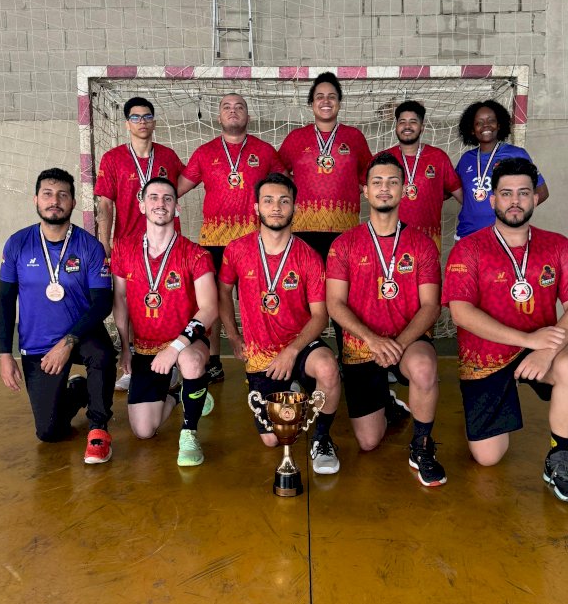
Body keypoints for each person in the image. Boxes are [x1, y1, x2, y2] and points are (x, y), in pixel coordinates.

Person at [443, 157, 568, 503]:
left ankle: (559, 457)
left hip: (541, 345)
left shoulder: (558, 245)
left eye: (524, 193)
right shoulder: (470, 248)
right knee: (488, 458)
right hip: (485, 354)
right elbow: (461, 314)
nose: (515, 201)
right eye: (506, 193)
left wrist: (548, 349)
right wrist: (528, 341)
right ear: (492, 199)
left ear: (535, 198)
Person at [326, 152, 446, 487]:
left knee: (423, 368)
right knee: (368, 442)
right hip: (362, 345)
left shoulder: (422, 244)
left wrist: (398, 344)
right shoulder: (344, 244)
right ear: (365, 191)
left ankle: (421, 446)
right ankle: (387, 403)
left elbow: (431, 306)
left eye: (393, 182)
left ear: (404, 189)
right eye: (377, 182)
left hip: (406, 341)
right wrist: (372, 340)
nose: (384, 188)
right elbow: (334, 304)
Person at [218, 173, 341, 475]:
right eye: (269, 200)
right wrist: (232, 335)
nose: (276, 207)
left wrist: (292, 350)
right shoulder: (236, 249)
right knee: (273, 440)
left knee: (327, 368)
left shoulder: (309, 257)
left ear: (294, 207)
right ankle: (294, 390)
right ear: (256, 208)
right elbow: (222, 291)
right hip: (261, 354)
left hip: (301, 344)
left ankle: (322, 439)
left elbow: (320, 316)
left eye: (284, 201)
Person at [0, 168, 116, 463]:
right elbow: (5, 299)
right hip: (37, 344)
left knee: (102, 355)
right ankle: (78, 389)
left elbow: (103, 302)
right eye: (48, 194)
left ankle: (99, 429)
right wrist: (4, 354)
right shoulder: (17, 244)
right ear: (36, 200)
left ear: (73, 202)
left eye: (63, 195)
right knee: (49, 432)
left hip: (80, 333)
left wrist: (68, 341)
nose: (55, 201)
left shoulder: (89, 246)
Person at [176, 93, 284, 384]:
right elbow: (177, 189)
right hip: (213, 240)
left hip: (253, 242)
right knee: (211, 301)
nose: (233, 111)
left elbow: (284, 186)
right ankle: (212, 361)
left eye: (240, 107)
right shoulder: (204, 152)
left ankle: (259, 357)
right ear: (219, 116)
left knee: (255, 301)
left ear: (247, 116)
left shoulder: (265, 151)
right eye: (227, 107)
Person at [111, 177, 218, 467]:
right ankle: (181, 395)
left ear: (177, 208)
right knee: (144, 431)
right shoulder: (123, 249)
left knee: (191, 362)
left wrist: (175, 347)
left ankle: (189, 432)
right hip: (145, 348)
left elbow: (209, 309)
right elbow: (119, 300)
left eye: (168, 198)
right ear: (142, 205)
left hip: (187, 343)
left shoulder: (196, 254)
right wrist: (125, 347)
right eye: (154, 197)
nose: (161, 203)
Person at [95, 96, 185, 390]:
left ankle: (172, 360)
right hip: (128, 244)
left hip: (166, 244)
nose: (142, 121)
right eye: (135, 117)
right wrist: (104, 241)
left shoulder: (169, 157)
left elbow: (182, 188)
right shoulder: (112, 159)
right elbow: (106, 205)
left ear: (154, 121)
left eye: (147, 116)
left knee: (168, 299)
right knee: (131, 304)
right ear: (127, 124)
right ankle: (129, 360)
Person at [278, 71, 372, 264]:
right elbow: (276, 168)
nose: (325, 101)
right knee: (308, 287)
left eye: (332, 96)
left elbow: (369, 174)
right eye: (319, 97)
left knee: (341, 287)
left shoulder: (354, 137)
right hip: (303, 227)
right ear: (312, 104)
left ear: (339, 102)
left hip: (344, 227)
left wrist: (350, 187)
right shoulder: (296, 138)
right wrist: (294, 185)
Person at [454, 99, 549, 239]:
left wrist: (516, 215)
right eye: (479, 123)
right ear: (472, 130)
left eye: (491, 120)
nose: (486, 125)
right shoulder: (466, 159)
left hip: (505, 236)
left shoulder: (517, 154)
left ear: (499, 125)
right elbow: (456, 192)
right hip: (467, 234)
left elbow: (542, 192)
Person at [386, 100, 463, 252]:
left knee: (428, 276)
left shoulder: (438, 157)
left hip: (429, 239)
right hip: (389, 239)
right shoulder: (383, 159)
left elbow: (461, 195)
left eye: (413, 122)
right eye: (402, 122)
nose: (407, 126)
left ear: (422, 127)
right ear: (396, 127)